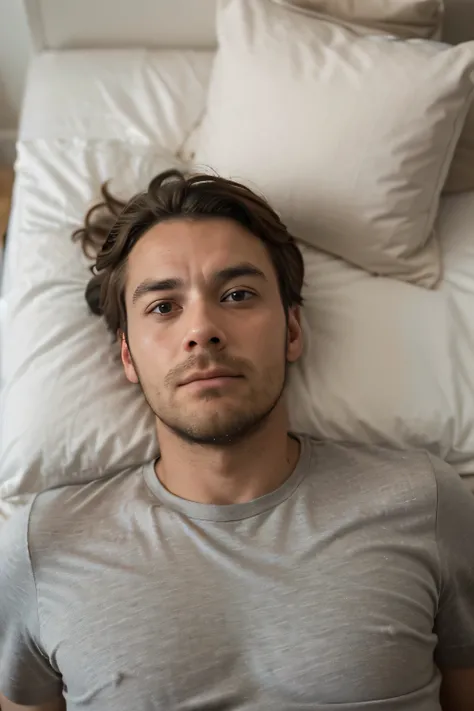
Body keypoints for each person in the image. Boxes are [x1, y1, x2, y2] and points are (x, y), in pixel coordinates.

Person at [1, 170, 473, 711]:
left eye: (238, 294)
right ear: (128, 355)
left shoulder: (422, 501)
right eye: (163, 306)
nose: (202, 328)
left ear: (292, 330)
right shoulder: (45, 545)